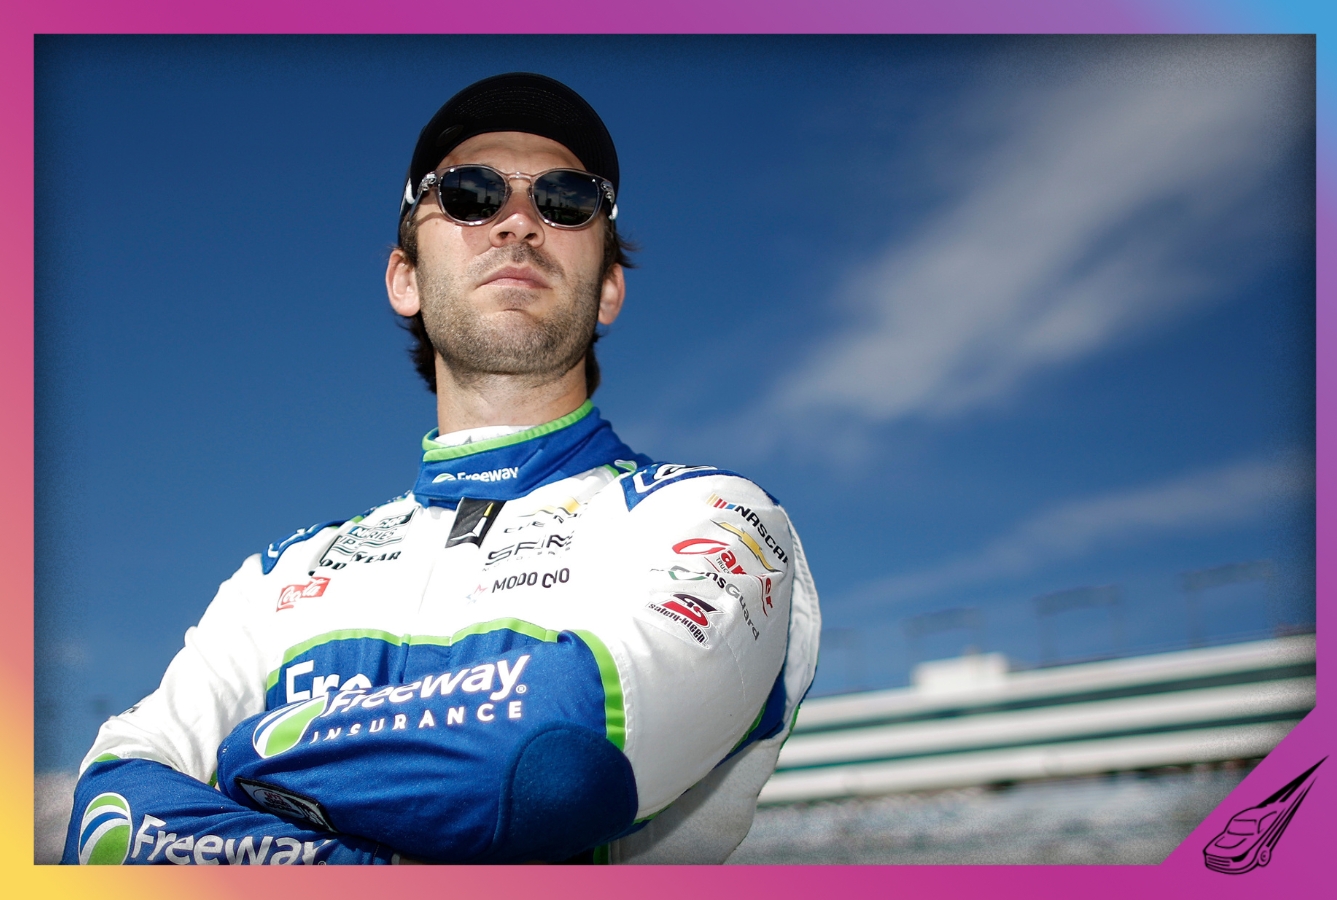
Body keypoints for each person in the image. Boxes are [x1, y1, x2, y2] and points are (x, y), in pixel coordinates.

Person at [63, 72, 820, 866]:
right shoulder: (275, 577)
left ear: (609, 290)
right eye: (468, 194)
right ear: (406, 279)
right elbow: (113, 819)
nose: (519, 222)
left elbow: (555, 759)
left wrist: (248, 758)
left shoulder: (714, 517)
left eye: (565, 199)